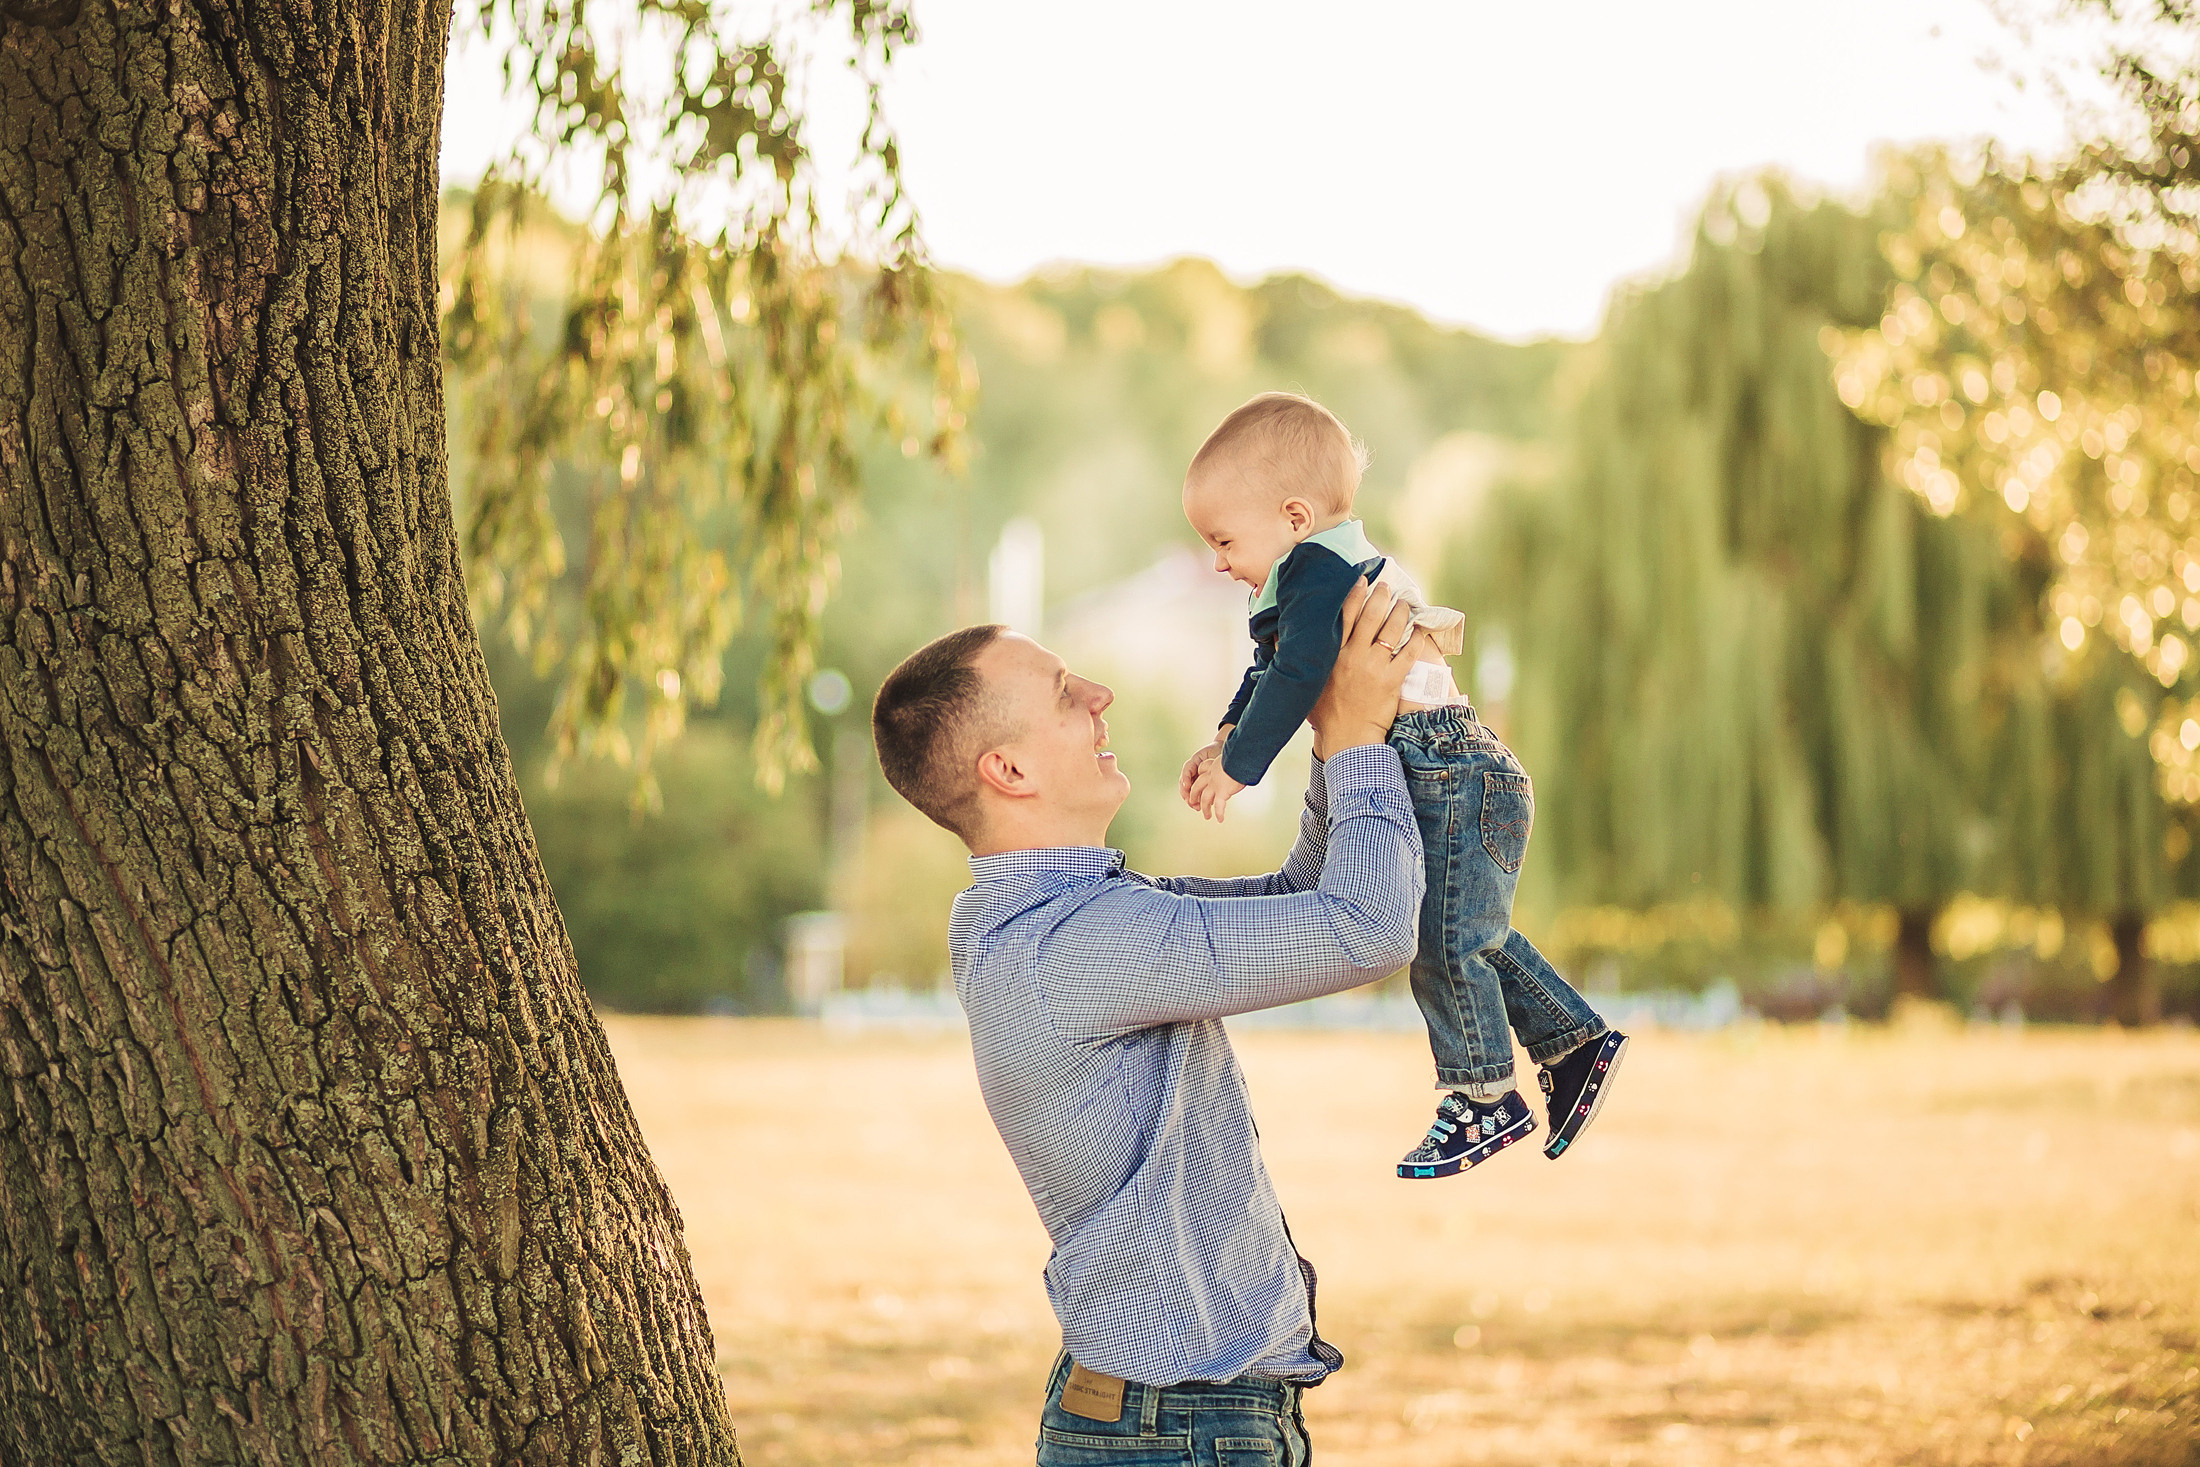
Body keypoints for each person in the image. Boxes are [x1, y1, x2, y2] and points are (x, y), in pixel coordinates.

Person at [871, 580, 1424, 1466]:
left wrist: (1328, 728)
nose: (1101, 696)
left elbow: (1301, 906)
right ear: (1007, 771)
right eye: (1063, 693)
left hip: (1170, 1421)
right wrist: (1358, 735)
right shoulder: (1077, 946)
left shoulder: (1052, 920)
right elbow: (1365, 927)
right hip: (1177, 1429)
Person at [1179, 391, 1628, 1179]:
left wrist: (1241, 767)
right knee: (1464, 930)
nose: (1217, 561)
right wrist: (1225, 732)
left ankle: (1484, 1094)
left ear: (1292, 516)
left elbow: (1300, 675)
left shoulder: (1319, 576)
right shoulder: (1308, 574)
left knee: (1443, 941)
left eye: (1223, 539)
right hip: (1453, 765)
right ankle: (1575, 1041)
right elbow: (1269, 670)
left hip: (1448, 767)